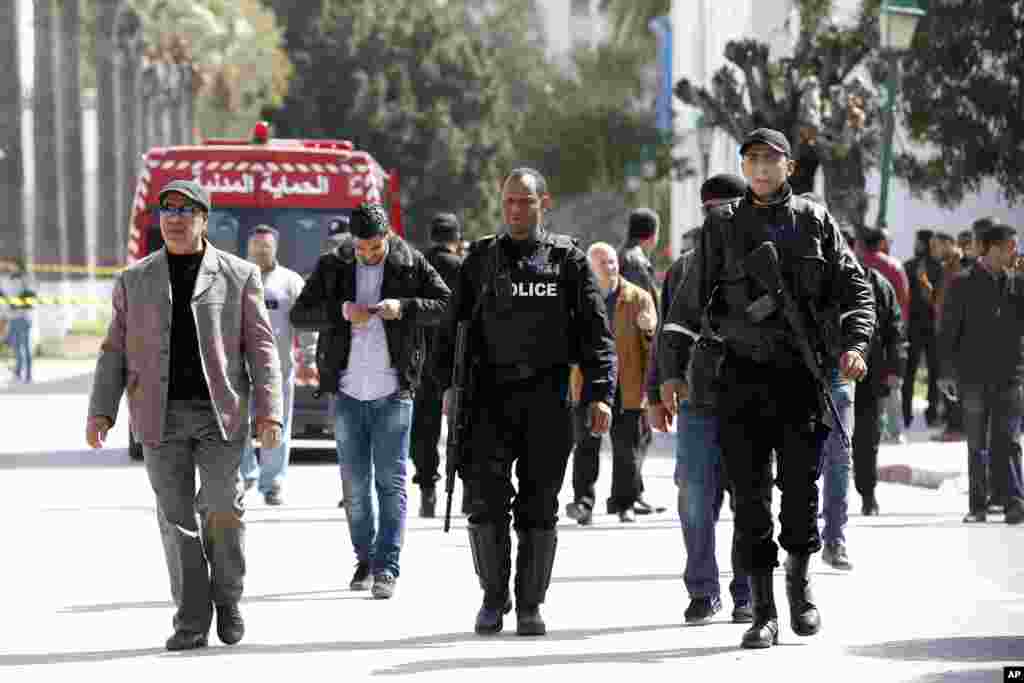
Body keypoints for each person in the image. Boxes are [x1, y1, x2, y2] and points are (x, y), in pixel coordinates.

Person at [658, 128, 874, 649]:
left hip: (802, 379)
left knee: (800, 494)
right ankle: (762, 611)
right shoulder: (722, 228)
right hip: (740, 379)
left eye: (769, 160)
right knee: (751, 502)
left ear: (788, 167)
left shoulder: (815, 220)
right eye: (751, 160)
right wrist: (670, 372)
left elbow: (855, 289)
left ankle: (800, 593)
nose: (759, 168)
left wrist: (856, 345)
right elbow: (686, 306)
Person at [86, 179, 284, 651]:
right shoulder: (135, 279)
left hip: (222, 415)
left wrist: (269, 411)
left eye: (185, 210)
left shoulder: (238, 274)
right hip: (160, 416)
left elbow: (261, 346)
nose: (174, 218)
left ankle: (228, 598)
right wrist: (101, 411)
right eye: (167, 209)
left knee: (222, 508)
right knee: (176, 520)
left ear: (204, 219)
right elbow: (114, 350)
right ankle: (191, 619)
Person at [435, 168, 616, 636]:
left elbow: (596, 336)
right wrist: (444, 391)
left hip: (547, 398)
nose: (515, 210)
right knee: (486, 503)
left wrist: (600, 393)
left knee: (539, 506)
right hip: (487, 400)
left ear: (543, 203)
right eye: (509, 201)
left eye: (525, 202)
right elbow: (450, 331)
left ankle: (530, 604)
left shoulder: (568, 261)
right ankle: (494, 599)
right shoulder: (479, 260)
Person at [290, 202, 450, 599]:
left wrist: (406, 308)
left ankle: (387, 567)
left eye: (375, 247)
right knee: (355, 485)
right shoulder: (334, 264)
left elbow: (446, 305)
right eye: (361, 248)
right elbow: (301, 314)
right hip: (346, 390)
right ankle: (365, 557)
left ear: (389, 236)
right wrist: (341, 311)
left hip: (394, 391)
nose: (368, 255)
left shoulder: (410, 263)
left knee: (390, 482)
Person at [648, 173, 753, 625]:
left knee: (751, 499)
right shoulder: (683, 269)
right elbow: (666, 337)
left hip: (753, 398)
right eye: (714, 211)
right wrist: (657, 391)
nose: (722, 219)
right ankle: (703, 589)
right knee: (693, 496)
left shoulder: (763, 264)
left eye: (730, 209)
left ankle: (748, 590)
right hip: (697, 398)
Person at [938, 221, 1024, 525]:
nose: (1016, 252)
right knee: (977, 444)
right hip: (973, 377)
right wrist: (945, 372)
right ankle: (978, 505)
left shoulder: (1017, 284)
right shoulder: (962, 283)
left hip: (1010, 375)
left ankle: (1015, 502)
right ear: (992, 248)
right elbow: (948, 331)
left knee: (1010, 440)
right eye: (1011, 246)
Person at [565, 242, 656, 524]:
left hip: (628, 384)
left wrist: (648, 328)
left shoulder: (638, 297)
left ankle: (624, 503)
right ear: (591, 268)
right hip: (590, 383)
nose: (611, 267)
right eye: (603, 263)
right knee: (586, 445)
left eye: (613, 262)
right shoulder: (578, 298)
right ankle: (583, 502)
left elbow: (655, 341)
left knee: (626, 448)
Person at [238, 225, 308, 506]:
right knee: (236, 426)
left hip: (277, 370)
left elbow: (305, 325)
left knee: (278, 425)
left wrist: (309, 357)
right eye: (256, 247)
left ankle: (273, 482)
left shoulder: (290, 282)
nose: (260, 251)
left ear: (275, 248)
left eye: (265, 247)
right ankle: (244, 475)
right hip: (238, 369)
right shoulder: (234, 278)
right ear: (247, 248)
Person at [410, 212, 464, 517]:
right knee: (461, 422)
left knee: (425, 424)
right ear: (455, 238)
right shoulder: (461, 266)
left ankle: (428, 489)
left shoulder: (417, 264)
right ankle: (467, 490)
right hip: (457, 352)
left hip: (424, 354)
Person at [618, 207, 661, 514]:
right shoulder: (635, 262)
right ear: (653, 234)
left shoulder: (627, 257)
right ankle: (629, 494)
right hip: (636, 355)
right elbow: (641, 313)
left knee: (637, 431)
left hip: (631, 354)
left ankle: (635, 490)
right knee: (636, 430)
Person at [855, 225, 910, 445]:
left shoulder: (854, 265)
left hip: (861, 340)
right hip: (890, 332)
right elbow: (904, 300)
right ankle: (895, 432)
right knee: (892, 382)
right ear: (880, 243)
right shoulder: (894, 266)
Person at [903, 229, 943, 428]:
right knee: (919, 371)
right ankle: (925, 413)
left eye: (918, 242)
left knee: (921, 371)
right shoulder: (934, 266)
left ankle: (915, 413)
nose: (915, 245)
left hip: (921, 325)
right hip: (924, 326)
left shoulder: (928, 267)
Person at [6, 261, 35, 383]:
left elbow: (30, 297)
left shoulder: (25, 279)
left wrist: (17, 303)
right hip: (13, 318)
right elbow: (9, 299)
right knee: (16, 347)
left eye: (13, 265)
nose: (10, 267)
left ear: (19, 266)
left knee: (25, 347)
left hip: (23, 318)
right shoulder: (10, 280)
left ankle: (28, 376)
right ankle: (17, 374)